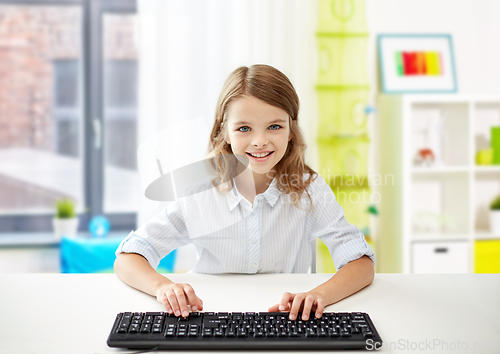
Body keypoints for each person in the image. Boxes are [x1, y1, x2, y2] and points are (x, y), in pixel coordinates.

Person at [114, 64, 375, 322]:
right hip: (209, 318)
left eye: (274, 127)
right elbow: (129, 257)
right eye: (244, 128)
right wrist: (162, 287)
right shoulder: (199, 191)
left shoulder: (309, 189)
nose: (259, 141)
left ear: (291, 130)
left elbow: (361, 264)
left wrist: (320, 294)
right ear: (224, 131)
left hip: (283, 321)